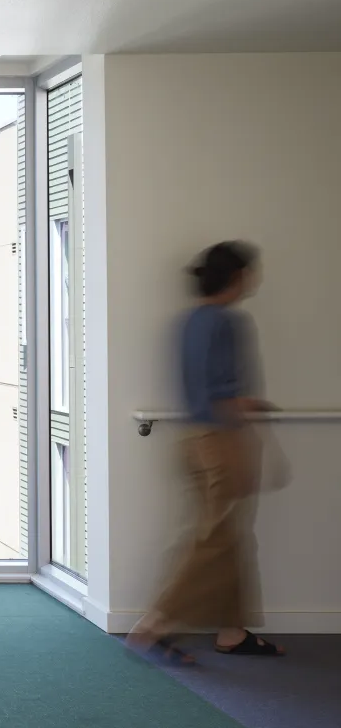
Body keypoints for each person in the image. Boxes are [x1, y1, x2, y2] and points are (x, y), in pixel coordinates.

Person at [128, 242, 284, 664]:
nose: (253, 280)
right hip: (221, 441)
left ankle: (232, 632)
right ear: (234, 278)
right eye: (250, 273)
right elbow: (218, 393)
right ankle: (158, 620)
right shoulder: (228, 323)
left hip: (193, 442)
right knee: (214, 539)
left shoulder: (189, 322)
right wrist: (249, 407)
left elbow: (198, 387)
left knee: (228, 538)